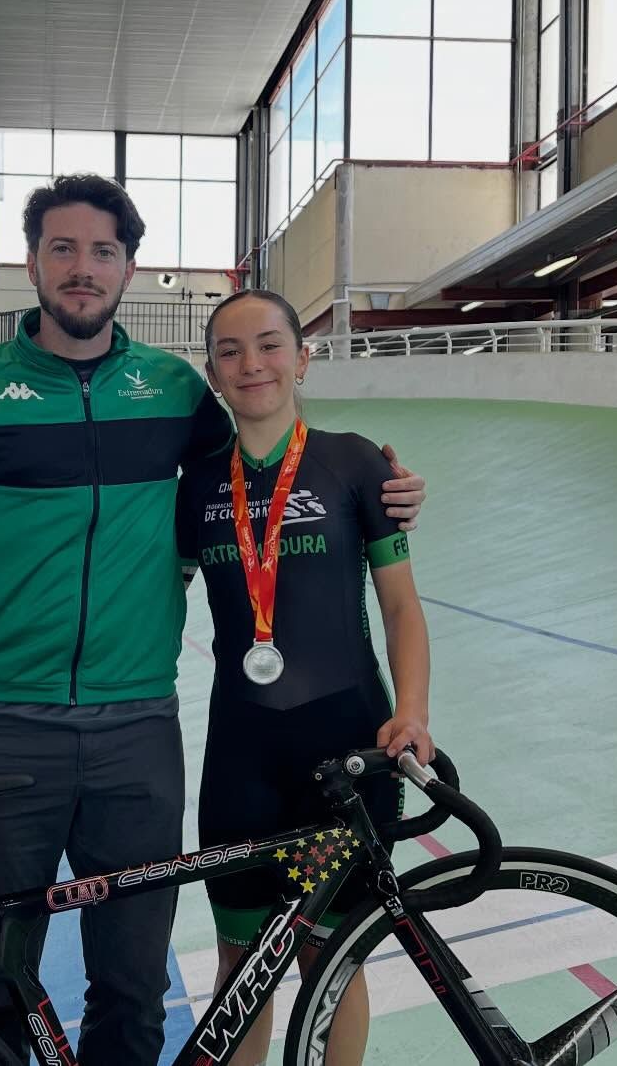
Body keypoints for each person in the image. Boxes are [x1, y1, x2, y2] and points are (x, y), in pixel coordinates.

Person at [0, 174, 428, 1065]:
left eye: (102, 251)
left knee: (132, 993)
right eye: (62, 249)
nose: (82, 268)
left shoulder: (174, 394)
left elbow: (267, 471)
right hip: (2, 729)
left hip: (137, 734)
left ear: (129, 268)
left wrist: (383, 489)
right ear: (32, 262)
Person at [177, 290, 432, 1065]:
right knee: (242, 965)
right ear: (213, 372)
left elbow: (400, 607)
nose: (251, 363)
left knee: (332, 960)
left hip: (345, 754)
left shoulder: (355, 463)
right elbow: (159, 600)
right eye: (229, 350)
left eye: (268, 344)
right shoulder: (194, 486)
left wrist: (413, 711)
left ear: (302, 355)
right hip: (241, 760)